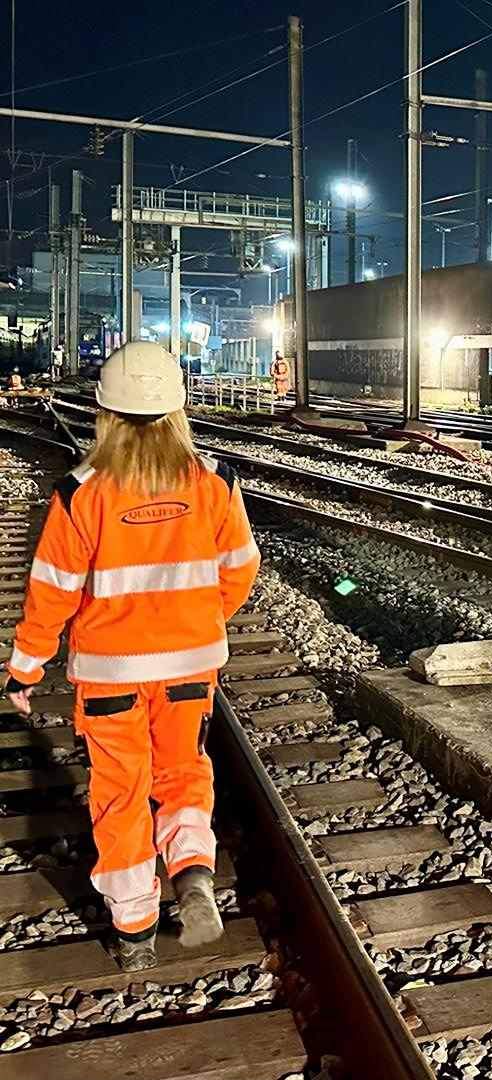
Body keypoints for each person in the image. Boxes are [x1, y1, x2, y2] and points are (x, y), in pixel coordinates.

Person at [4, 341, 260, 972]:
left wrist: (26, 669)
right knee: (184, 772)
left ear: (105, 413)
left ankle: (135, 929)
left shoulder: (80, 494)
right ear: (178, 409)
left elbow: (52, 593)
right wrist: (197, 620)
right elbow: (239, 569)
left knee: (119, 793)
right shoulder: (214, 482)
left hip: (110, 675)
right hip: (189, 668)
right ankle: (192, 870)